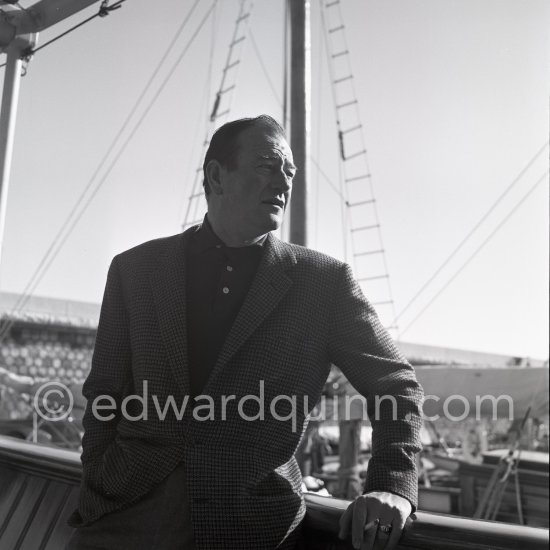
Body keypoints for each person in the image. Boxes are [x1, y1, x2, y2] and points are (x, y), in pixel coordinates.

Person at [67, 115, 424, 550]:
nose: (283, 182)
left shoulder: (324, 283)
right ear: (217, 175)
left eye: (289, 171)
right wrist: (97, 477)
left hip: (250, 528)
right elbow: (105, 391)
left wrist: (390, 485)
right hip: (123, 517)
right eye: (267, 165)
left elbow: (396, 385)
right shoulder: (134, 270)